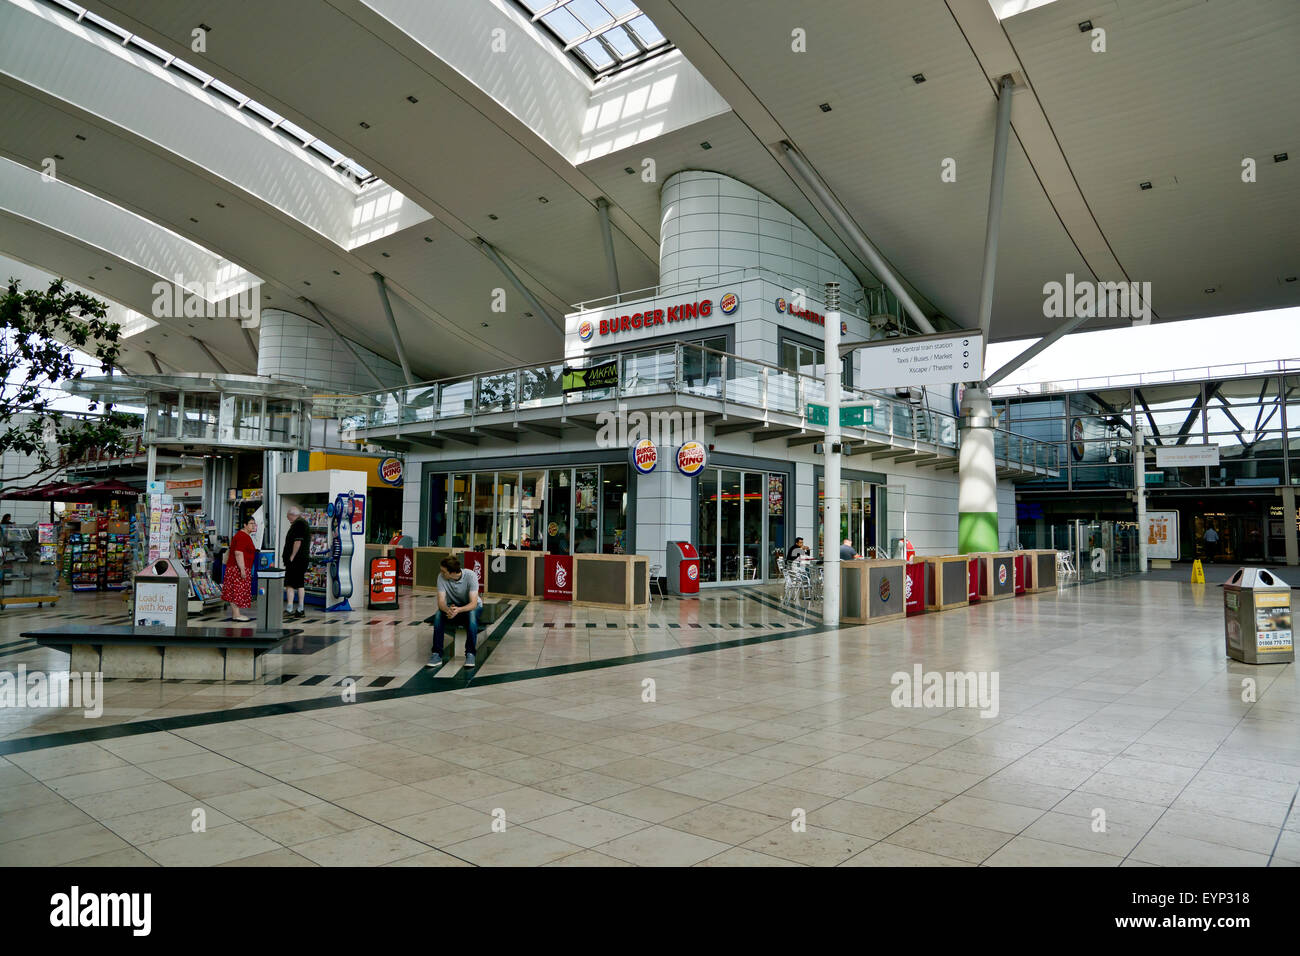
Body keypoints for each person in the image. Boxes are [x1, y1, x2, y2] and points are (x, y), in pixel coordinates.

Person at [427, 555, 482, 669]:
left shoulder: (470, 576)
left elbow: (473, 603)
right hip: (453, 607)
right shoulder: (441, 577)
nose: (441, 573)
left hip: (471, 607)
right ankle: (436, 654)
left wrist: (459, 610)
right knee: (438, 615)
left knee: (472, 616)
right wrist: (448, 610)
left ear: (452, 573)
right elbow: (441, 601)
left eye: (444, 571)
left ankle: (470, 653)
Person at [223, 515, 258, 623]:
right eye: (251, 523)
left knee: (236, 591)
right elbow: (238, 553)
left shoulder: (244, 536)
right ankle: (236, 614)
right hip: (237, 568)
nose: (254, 525)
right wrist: (242, 570)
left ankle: (236, 614)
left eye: (254, 523)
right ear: (245, 525)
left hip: (238, 567)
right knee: (236, 591)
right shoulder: (242, 536)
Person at [282, 505, 312, 619]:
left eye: (288, 517)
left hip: (296, 560)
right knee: (299, 583)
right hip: (301, 559)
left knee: (290, 584)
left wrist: (291, 557)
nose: (288, 519)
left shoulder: (299, 524)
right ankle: (300, 609)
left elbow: (297, 541)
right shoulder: (302, 523)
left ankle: (290, 609)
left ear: (292, 515)